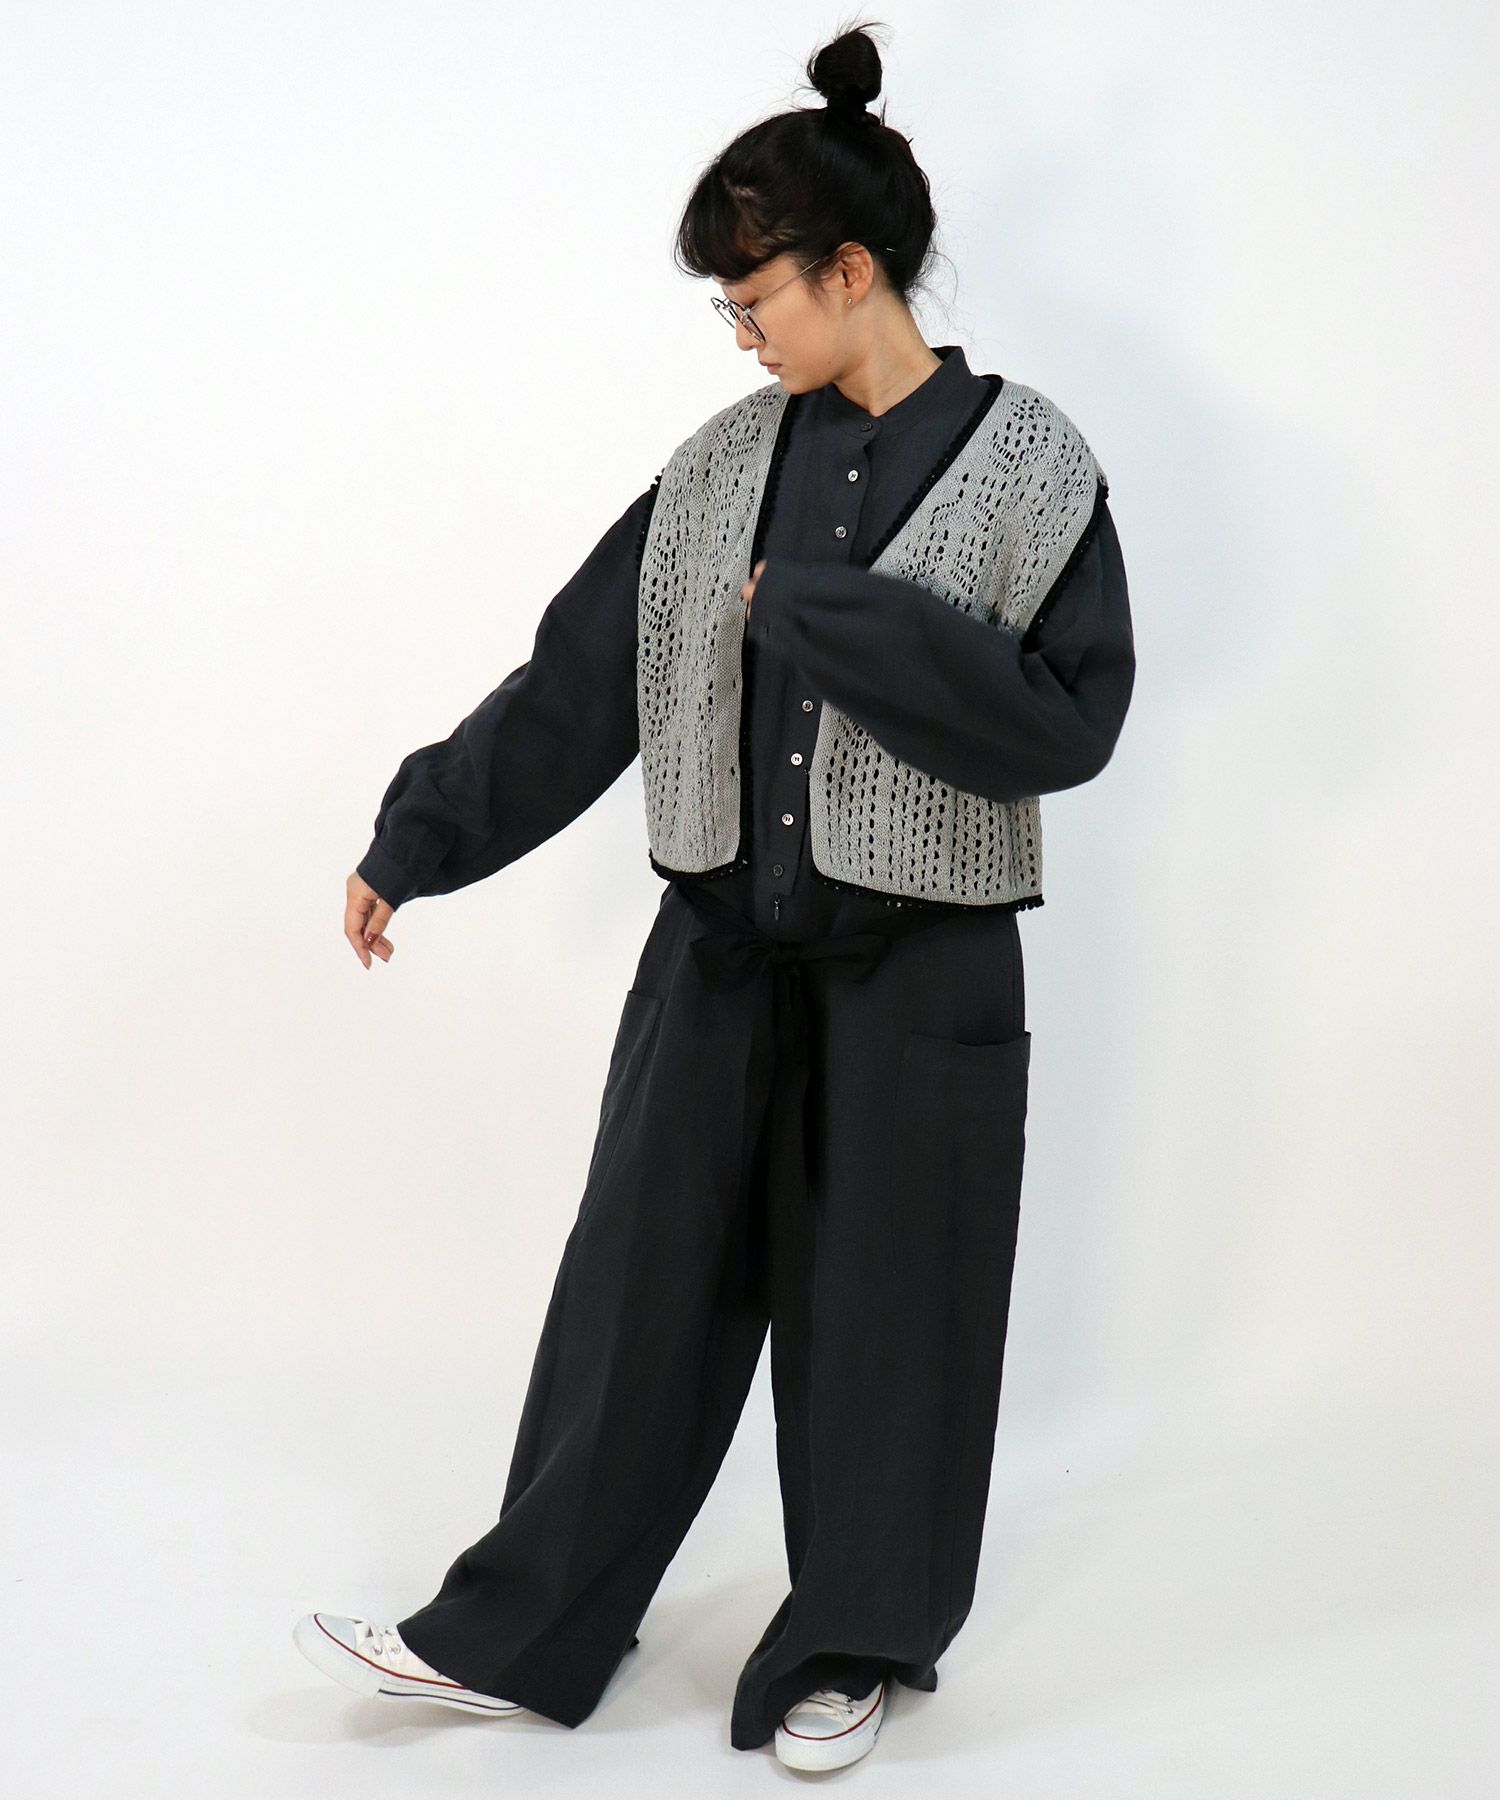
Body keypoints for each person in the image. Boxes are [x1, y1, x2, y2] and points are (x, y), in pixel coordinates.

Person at [294, 20, 1135, 1774]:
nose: (740, 335)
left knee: (891, 1323)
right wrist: (419, 836)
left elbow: (1068, 723)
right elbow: (579, 676)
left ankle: (856, 1645)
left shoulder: (1035, 466)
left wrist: (831, 619)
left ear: (851, 271)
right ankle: (516, 1632)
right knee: (635, 1298)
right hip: (720, 954)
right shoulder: (717, 469)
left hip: (924, 973)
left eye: (753, 299)